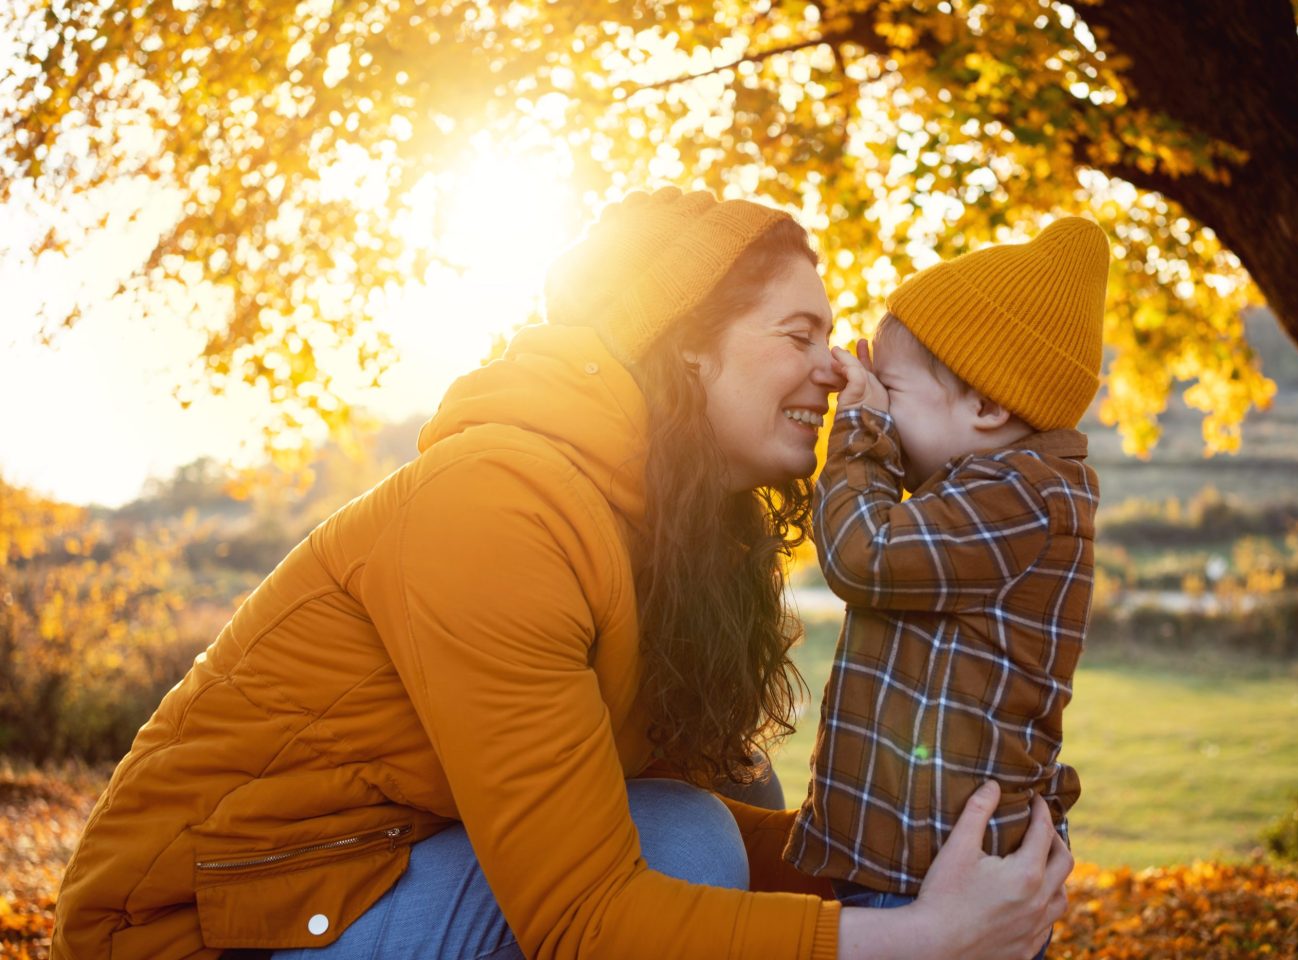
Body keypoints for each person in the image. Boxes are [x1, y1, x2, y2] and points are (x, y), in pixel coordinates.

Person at [52, 188, 1071, 960]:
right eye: (799, 334)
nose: (839, 371)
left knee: (717, 802)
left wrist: (916, 859)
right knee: (686, 847)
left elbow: (603, 828)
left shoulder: (672, 536)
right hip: (197, 931)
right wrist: (922, 939)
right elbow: (586, 918)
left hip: (367, 882)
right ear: (687, 350)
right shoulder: (498, 505)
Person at [784, 219, 1108, 926]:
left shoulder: (1022, 496)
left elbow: (862, 553)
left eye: (891, 391)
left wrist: (860, 429)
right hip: (907, 864)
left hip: (932, 878)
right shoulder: (987, 491)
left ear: (987, 406)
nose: (878, 407)